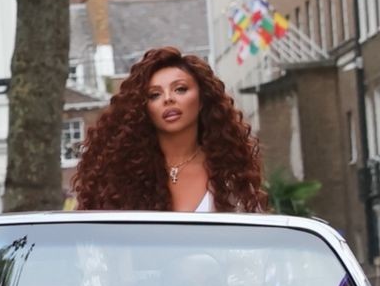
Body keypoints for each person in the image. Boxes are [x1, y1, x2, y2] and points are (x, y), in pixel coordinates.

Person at [71, 46, 269, 214]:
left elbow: (251, 241)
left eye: (180, 89)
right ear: (143, 108)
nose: (168, 99)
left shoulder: (229, 172)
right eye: (154, 95)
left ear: (202, 100)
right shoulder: (119, 176)